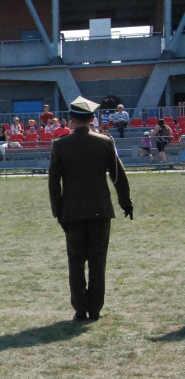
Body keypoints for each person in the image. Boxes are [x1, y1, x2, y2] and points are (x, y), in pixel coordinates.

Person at [48, 96, 133, 321]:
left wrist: (58, 211)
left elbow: (54, 182)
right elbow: (118, 176)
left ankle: (79, 308)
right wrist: (125, 202)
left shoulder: (60, 145)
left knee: (75, 261)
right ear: (93, 119)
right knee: (97, 260)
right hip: (100, 210)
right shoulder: (105, 142)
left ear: (71, 120)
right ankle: (95, 308)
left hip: (72, 212)